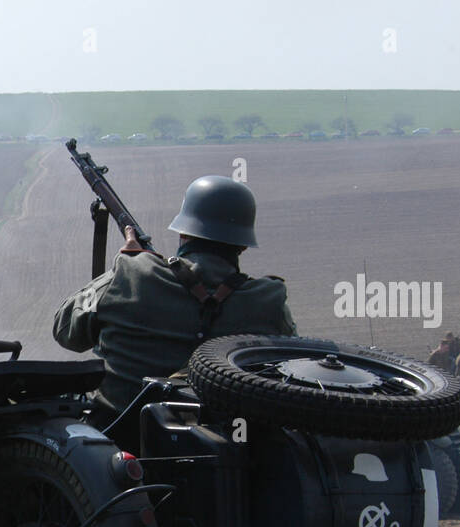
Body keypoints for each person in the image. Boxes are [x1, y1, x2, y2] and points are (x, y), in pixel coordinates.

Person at [52, 175, 295, 449]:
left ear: (183, 232)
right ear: (242, 244)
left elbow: (65, 332)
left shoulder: (131, 274)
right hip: (232, 454)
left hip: (120, 444)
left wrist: (126, 267)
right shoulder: (267, 301)